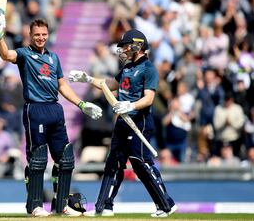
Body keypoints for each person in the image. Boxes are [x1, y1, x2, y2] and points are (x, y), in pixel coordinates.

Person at [0, 16, 103, 217]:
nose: (40, 38)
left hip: (55, 110)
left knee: (65, 159)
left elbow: (63, 86)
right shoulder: (24, 54)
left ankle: (62, 205)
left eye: (43, 34)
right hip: (36, 109)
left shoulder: (54, 58)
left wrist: (82, 104)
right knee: (38, 160)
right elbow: (6, 55)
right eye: (37, 35)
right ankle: (34, 206)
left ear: (48, 35)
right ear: (30, 36)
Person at [69, 29, 177, 217]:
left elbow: (149, 98)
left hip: (139, 120)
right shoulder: (127, 68)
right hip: (122, 122)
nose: (124, 50)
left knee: (140, 163)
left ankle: (166, 204)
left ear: (138, 45)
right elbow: (110, 84)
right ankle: (104, 207)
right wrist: (87, 78)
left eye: (126, 46)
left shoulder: (148, 68)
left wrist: (130, 105)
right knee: (113, 163)